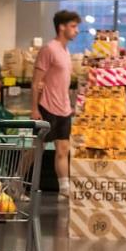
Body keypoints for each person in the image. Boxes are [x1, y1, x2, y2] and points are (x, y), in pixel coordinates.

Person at [33, 10, 78, 194]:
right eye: (73, 26)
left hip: (64, 109)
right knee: (36, 150)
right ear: (61, 27)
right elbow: (36, 82)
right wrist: (34, 108)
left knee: (63, 149)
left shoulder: (66, 51)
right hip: (46, 107)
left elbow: (63, 82)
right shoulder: (48, 49)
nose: (76, 31)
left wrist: (69, 104)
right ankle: (17, 184)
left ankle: (65, 188)